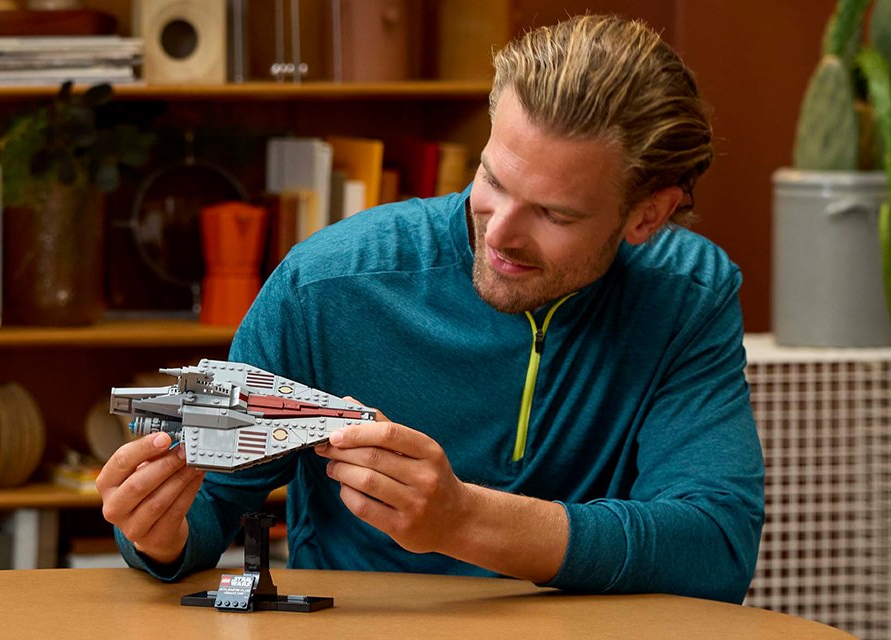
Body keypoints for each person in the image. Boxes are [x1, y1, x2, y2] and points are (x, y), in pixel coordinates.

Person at [97, 14, 764, 604]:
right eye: (493, 180)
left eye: (554, 213)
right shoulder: (324, 283)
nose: (499, 232)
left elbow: (714, 549)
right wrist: (157, 532)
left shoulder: (689, 295)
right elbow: (208, 508)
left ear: (648, 214)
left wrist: (465, 521)